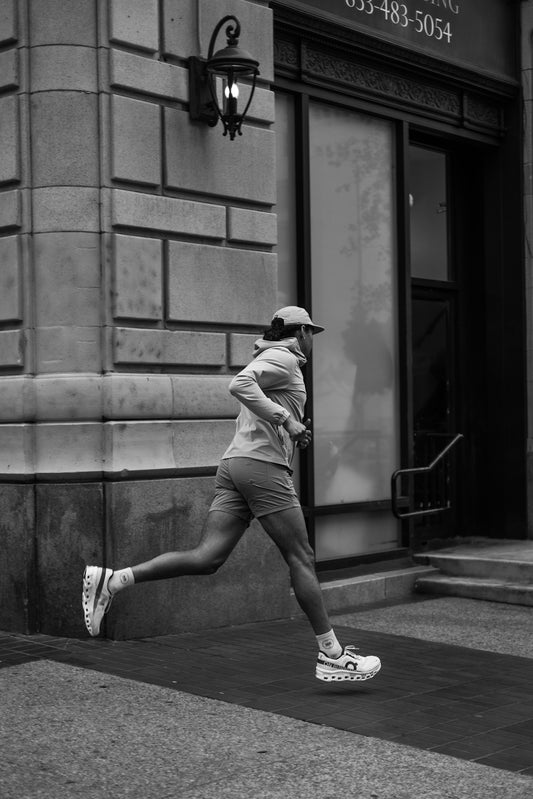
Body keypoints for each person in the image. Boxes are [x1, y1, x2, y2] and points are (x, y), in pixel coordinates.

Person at [82, 306, 381, 683]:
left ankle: (114, 580)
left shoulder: (273, 357)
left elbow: (255, 397)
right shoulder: (285, 357)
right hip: (260, 468)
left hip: (236, 465)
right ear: (301, 332)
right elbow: (240, 384)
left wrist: (290, 428)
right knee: (301, 556)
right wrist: (287, 421)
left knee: (207, 558)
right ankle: (331, 654)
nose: (313, 341)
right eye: (311, 333)